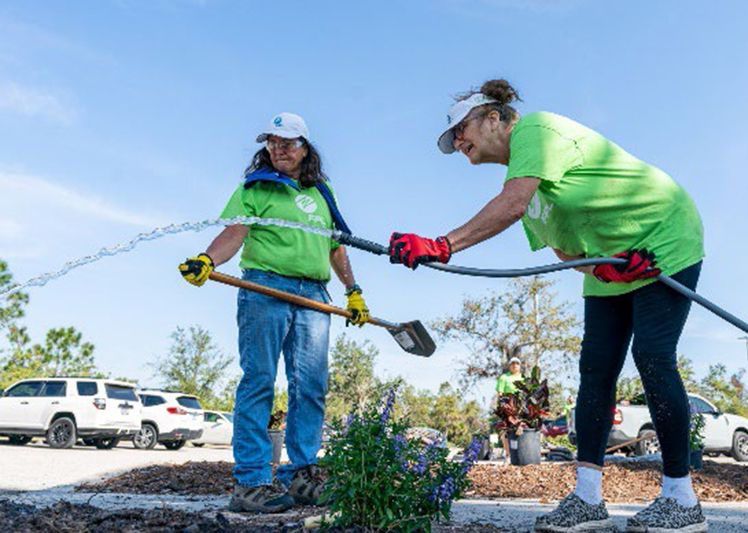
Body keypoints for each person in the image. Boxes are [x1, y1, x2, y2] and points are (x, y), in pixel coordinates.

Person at [388, 80, 706, 532]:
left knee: (652, 355)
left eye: (462, 130)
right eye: (452, 138)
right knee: (595, 370)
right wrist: (607, 273)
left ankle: (681, 499)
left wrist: (443, 245)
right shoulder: (526, 180)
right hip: (613, 263)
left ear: (494, 118)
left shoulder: (533, 132)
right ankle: (588, 500)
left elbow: (511, 204)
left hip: (664, 239)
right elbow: (565, 254)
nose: (458, 143)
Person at [179, 112, 370, 514]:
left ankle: (303, 475)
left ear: (305, 148)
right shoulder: (255, 188)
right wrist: (207, 260)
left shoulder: (322, 192)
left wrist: (352, 292)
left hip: (314, 294)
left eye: (288, 142)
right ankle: (250, 482)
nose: (279, 149)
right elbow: (236, 232)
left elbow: (336, 245)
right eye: (272, 142)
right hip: (265, 288)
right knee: (259, 381)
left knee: (311, 385)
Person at [495, 357, 524, 463]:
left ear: (520, 366)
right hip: (507, 405)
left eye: (517, 363)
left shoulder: (523, 378)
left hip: (521, 407)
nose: (515, 365)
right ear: (509, 366)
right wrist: (502, 405)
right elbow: (500, 393)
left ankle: (521, 454)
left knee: (522, 429)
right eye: (512, 363)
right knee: (505, 430)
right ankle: (508, 455)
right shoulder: (504, 377)